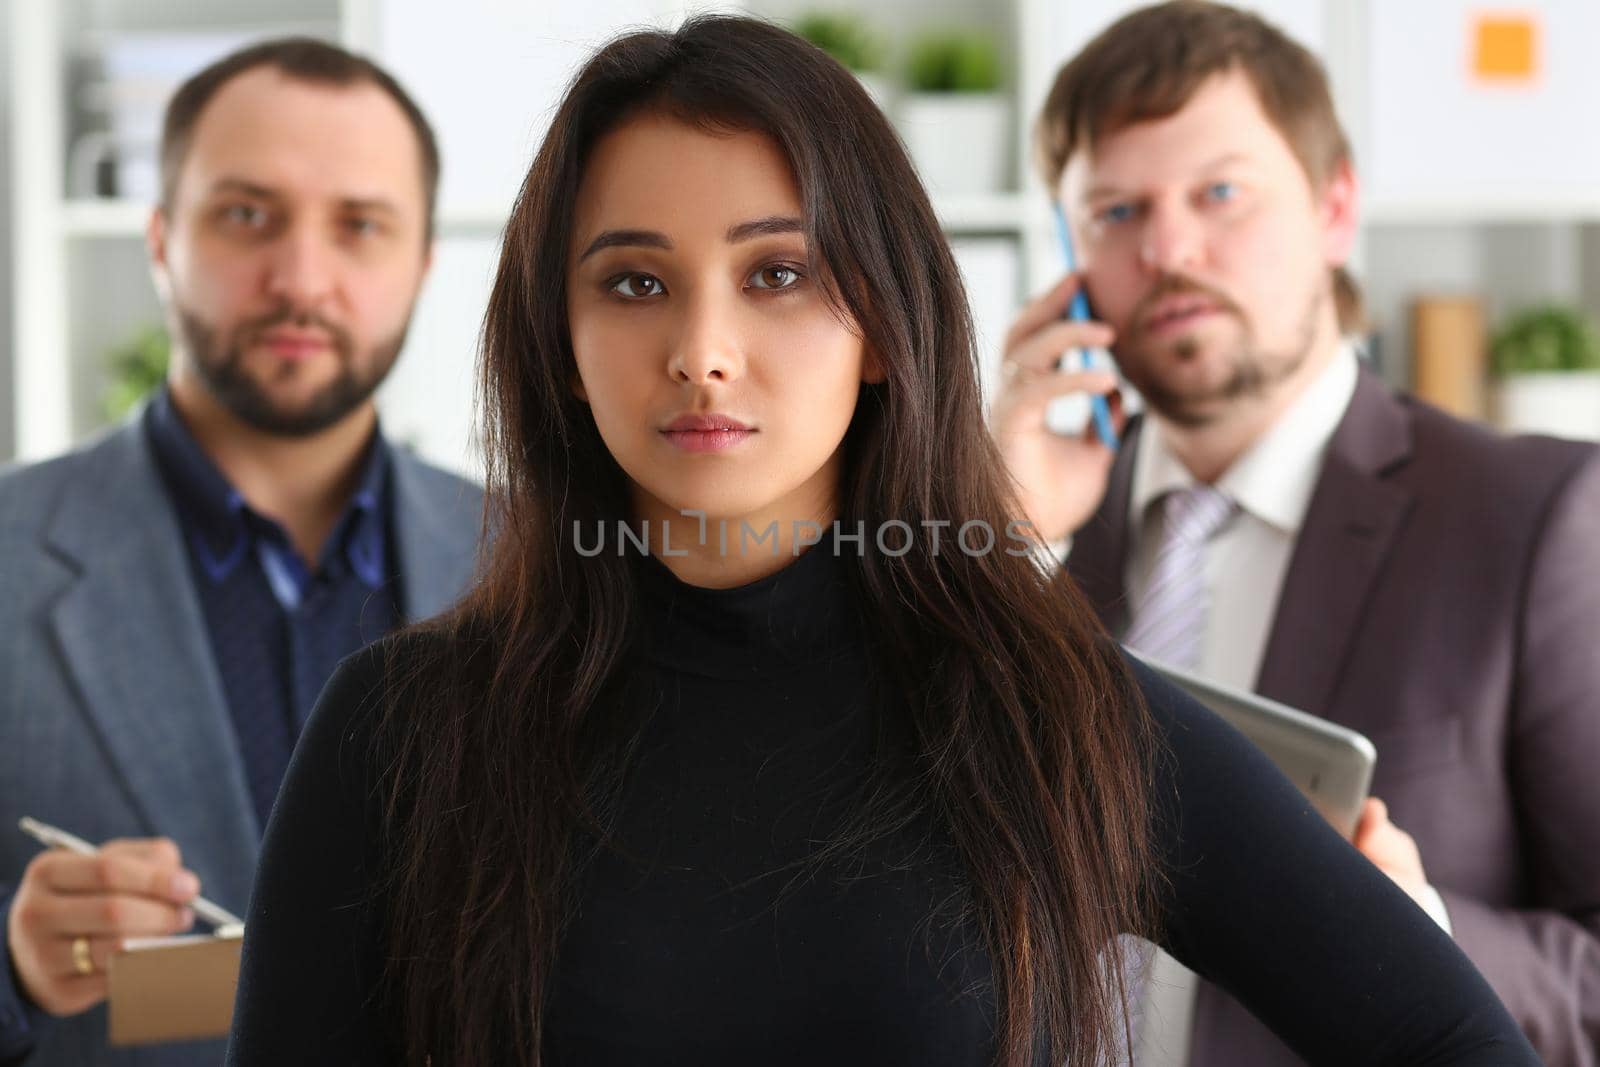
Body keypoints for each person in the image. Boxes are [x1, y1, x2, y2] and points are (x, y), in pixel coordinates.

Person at [225, 16, 1538, 1067]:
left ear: (880, 326)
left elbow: (1448, 1033)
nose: (701, 349)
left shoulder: (1047, 711)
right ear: (560, 348)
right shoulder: (401, 731)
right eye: (633, 281)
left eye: (778, 272)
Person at [991, 2, 1600, 1064]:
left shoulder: (1535, 516)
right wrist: (992, 539)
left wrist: (1427, 936)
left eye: (1219, 193)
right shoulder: (1030, 535)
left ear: (1333, 207)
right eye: (1115, 210)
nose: (1168, 247)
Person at [0, 38, 482, 1067]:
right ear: (162, 237)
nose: (300, 278)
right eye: (247, 215)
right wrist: (13, 962)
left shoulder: (542, 563)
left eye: (360, 225)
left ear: (423, 262)